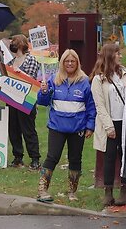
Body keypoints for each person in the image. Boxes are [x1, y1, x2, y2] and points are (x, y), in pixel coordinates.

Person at [36, 49, 96, 203]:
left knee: (75, 159)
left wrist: (90, 126)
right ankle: (42, 190)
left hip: (78, 128)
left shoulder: (84, 82)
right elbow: (43, 102)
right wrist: (43, 92)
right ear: (62, 63)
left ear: (77, 63)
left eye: (73, 61)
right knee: (52, 157)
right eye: (66, 61)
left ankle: (72, 191)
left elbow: (91, 106)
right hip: (57, 126)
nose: (69, 64)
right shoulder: (53, 80)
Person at [90, 43, 126, 206]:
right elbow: (99, 105)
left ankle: (124, 191)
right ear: (109, 56)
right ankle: (108, 191)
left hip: (125, 121)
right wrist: (109, 127)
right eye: (117, 53)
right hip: (109, 123)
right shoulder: (98, 79)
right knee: (109, 156)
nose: (120, 56)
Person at [7, 34, 41, 170]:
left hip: (26, 99)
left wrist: (18, 73)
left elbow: (32, 79)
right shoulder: (10, 62)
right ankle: (17, 157)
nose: (12, 44)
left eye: (14, 42)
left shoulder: (31, 59)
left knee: (28, 130)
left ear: (21, 43)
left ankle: (35, 158)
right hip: (11, 99)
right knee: (13, 129)